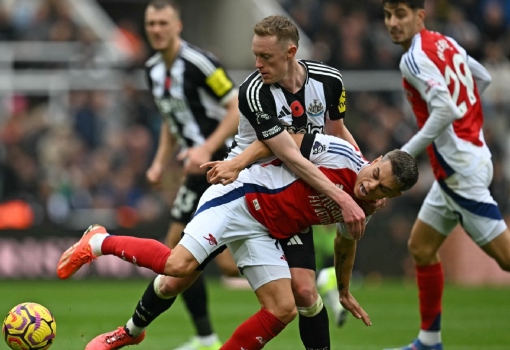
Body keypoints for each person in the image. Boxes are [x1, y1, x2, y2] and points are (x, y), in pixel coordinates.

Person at [82, 14, 369, 350]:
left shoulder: (326, 81)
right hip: (241, 190)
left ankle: (196, 337)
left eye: (266, 57)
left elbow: (336, 139)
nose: (258, 64)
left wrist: (361, 169)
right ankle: (131, 326)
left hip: (286, 198)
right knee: (178, 272)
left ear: (291, 52)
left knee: (299, 296)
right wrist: (173, 160)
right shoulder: (253, 91)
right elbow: (284, 151)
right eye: (255, 55)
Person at [57, 132, 419, 350]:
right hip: (242, 198)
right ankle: (99, 241)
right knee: (177, 269)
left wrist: (342, 290)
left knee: (283, 308)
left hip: (268, 230)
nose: (370, 185)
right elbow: (277, 142)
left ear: (394, 195)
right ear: (374, 160)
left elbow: (345, 242)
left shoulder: (368, 205)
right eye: (374, 174)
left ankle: (131, 333)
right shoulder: (339, 154)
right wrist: (235, 164)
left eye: (383, 187)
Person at [75, 1, 240, 349]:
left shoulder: (199, 63)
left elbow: (236, 106)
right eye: (151, 24)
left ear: (178, 25)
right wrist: (159, 161)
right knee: (182, 258)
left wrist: (206, 149)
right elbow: (170, 117)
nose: (157, 30)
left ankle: (306, 279)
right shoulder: (152, 69)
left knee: (196, 261)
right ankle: (206, 337)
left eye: (163, 23)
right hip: (197, 173)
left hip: (223, 165)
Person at [380, 1, 510, 350]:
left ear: (420, 16)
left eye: (401, 15)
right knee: (421, 248)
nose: (393, 23)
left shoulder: (412, 58)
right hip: (470, 157)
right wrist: (465, 124)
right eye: (388, 15)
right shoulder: (445, 42)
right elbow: (479, 77)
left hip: (459, 172)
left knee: (507, 259)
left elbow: (445, 109)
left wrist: (404, 152)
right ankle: (429, 341)